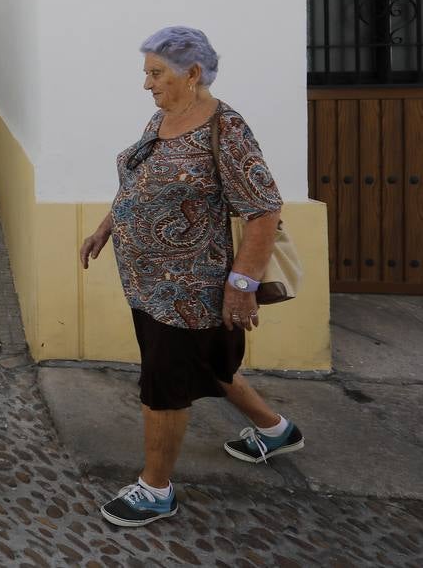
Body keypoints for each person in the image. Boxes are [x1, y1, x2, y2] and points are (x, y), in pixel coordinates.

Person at [79, 26, 305, 528]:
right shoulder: (163, 118)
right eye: (148, 74)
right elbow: (137, 182)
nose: (147, 85)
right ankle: (275, 430)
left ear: (193, 73)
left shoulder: (227, 128)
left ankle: (156, 488)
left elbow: (263, 210)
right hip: (147, 283)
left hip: (188, 292)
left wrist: (242, 285)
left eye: (156, 74)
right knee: (212, 367)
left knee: (163, 382)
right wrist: (104, 229)